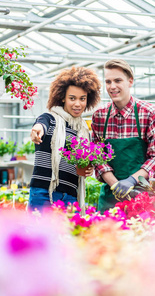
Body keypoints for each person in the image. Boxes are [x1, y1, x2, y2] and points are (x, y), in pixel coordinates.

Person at [91, 59, 155, 212]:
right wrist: (115, 185)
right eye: (108, 81)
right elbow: (97, 157)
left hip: (142, 196)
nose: (112, 86)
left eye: (118, 80)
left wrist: (132, 180)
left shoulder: (149, 113)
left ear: (130, 81)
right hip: (110, 197)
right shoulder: (100, 116)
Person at [29, 66, 101, 212]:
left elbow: (84, 164)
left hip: (70, 196)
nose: (77, 104)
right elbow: (41, 124)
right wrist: (37, 129)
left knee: (68, 235)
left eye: (82, 99)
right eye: (72, 98)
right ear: (62, 97)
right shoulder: (50, 119)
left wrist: (87, 169)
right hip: (43, 193)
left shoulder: (83, 131)